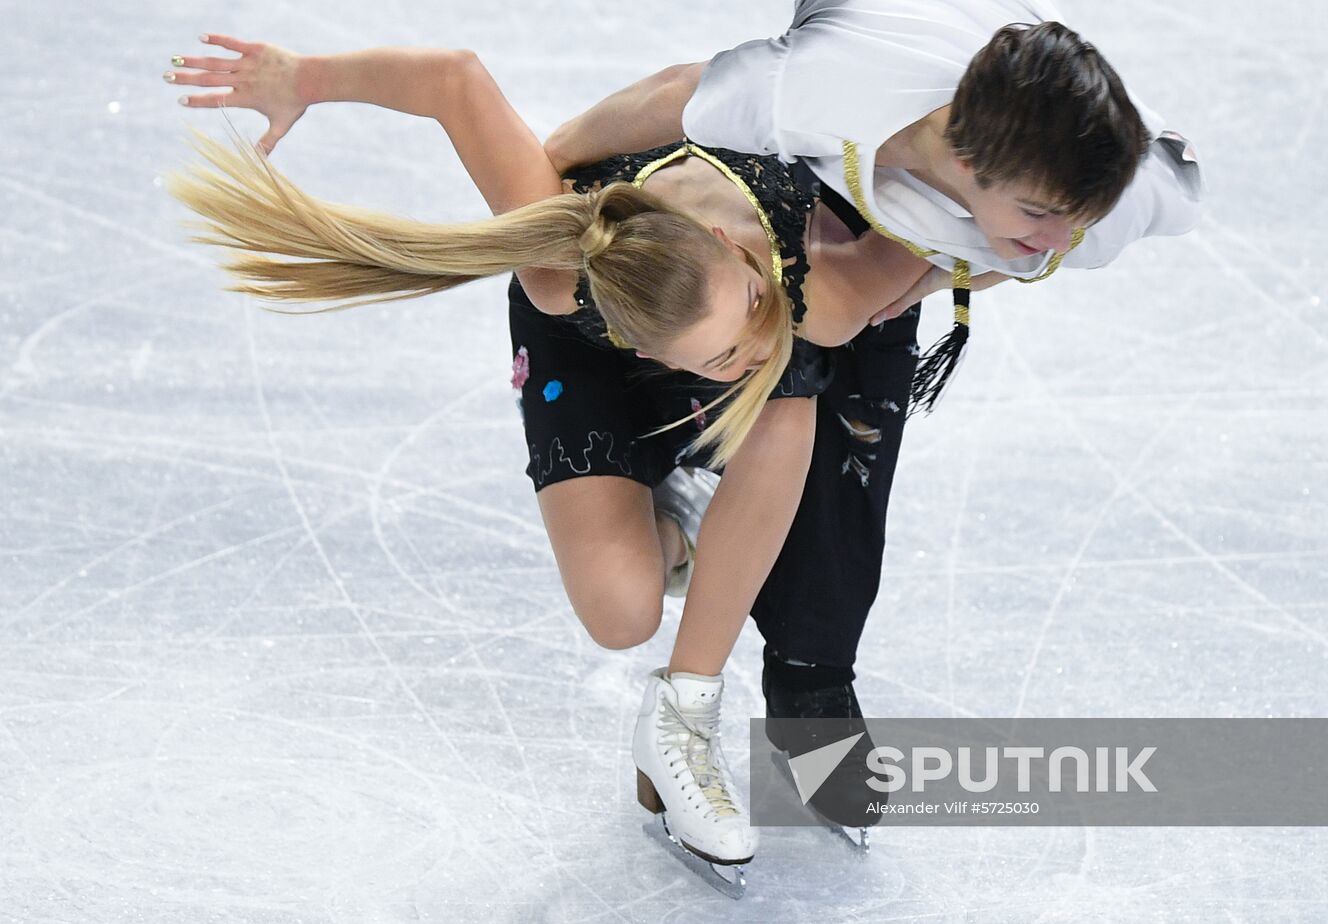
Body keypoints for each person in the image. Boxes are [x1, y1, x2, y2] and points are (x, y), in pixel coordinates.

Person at [163, 35, 938, 874]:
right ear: (651, 358)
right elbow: (452, 83)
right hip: (581, 347)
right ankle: (682, 521)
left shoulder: (803, 275)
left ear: (724, 240)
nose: (756, 336)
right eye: (722, 356)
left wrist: (1035, 223)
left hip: (768, 280)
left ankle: (684, 720)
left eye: (749, 298)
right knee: (620, 614)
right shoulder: (555, 270)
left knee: (792, 386)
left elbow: (959, 235)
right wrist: (305, 79)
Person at [544, 0, 1204, 829]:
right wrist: (552, 162)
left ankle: (811, 675)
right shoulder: (822, 85)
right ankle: (694, 470)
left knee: (860, 410)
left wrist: (933, 273)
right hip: (800, 169)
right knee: (792, 332)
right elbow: (679, 94)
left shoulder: (1125, 198)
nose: (1059, 235)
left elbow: (1028, 247)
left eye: (1077, 219)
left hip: (911, 200)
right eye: (1043, 215)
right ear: (964, 158)